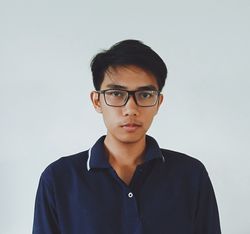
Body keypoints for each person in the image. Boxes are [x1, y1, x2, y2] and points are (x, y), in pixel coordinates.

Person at [33, 39, 221, 234]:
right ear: (97, 101)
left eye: (145, 95)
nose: (130, 109)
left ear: (158, 102)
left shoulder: (190, 175)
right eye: (116, 93)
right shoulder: (59, 179)